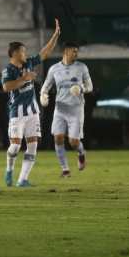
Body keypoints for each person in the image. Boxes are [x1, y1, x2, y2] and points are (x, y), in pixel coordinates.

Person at [1, 20, 61, 187]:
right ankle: (9, 171)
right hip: (17, 113)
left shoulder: (28, 63)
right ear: (14, 54)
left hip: (32, 111)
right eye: (22, 51)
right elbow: (6, 87)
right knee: (15, 147)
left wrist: (55, 36)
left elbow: (44, 53)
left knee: (33, 144)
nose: (25, 54)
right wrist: (24, 79)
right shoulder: (8, 70)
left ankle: (22, 179)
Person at [39, 42, 93, 178]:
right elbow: (45, 87)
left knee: (73, 142)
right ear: (66, 52)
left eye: (77, 51)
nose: (76, 54)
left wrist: (81, 89)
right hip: (60, 108)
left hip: (76, 109)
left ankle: (81, 153)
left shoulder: (82, 67)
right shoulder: (54, 69)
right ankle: (65, 170)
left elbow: (90, 86)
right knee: (57, 138)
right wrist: (43, 96)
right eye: (74, 51)